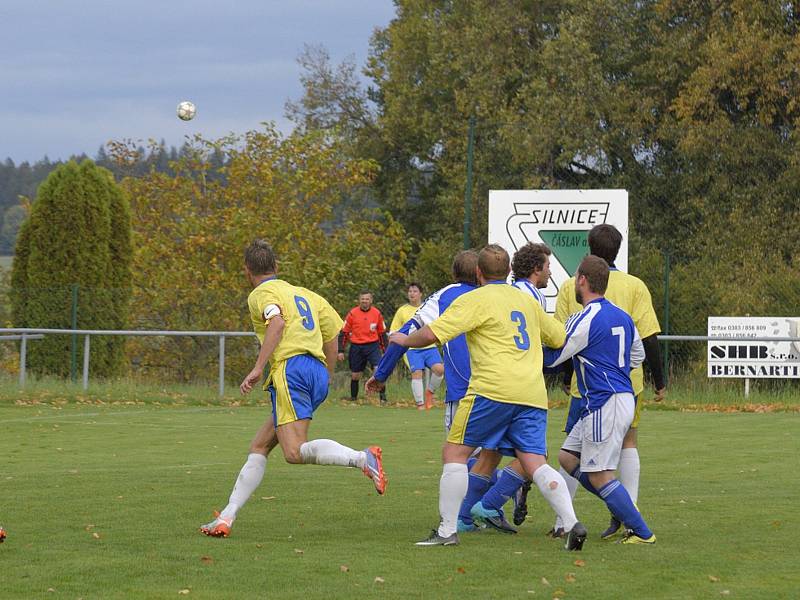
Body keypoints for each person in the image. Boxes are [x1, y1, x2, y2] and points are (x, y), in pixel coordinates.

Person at [390, 244, 587, 550]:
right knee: (535, 462)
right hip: (532, 393)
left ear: (479, 273)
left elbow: (431, 334)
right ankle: (571, 522)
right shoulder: (525, 301)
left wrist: (405, 339)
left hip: (492, 390)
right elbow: (559, 337)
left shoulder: (475, 299)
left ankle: (446, 531)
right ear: (508, 271)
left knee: (454, 454)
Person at [200, 240, 386, 538]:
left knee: (294, 452)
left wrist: (259, 367)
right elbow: (332, 333)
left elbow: (276, 323)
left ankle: (363, 458)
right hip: (314, 371)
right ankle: (226, 516)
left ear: (248, 271)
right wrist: (325, 375)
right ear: (277, 267)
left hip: (290, 369)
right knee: (260, 445)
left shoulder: (261, 294)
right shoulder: (306, 294)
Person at [553, 224, 666, 539]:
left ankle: (637, 528)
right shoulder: (628, 300)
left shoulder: (576, 304)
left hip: (600, 397)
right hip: (624, 390)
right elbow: (642, 348)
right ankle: (619, 505)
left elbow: (557, 348)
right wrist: (656, 379)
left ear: (583, 279)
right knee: (569, 455)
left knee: (599, 473)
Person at [366, 251, 478, 429]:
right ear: (481, 272)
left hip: (464, 388)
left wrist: (381, 375)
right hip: (503, 390)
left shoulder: (446, 296)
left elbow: (403, 335)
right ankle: (423, 400)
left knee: (458, 453)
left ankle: (425, 398)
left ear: (454, 274)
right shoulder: (500, 296)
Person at [390, 283, 445, 410]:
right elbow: (393, 331)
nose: (412, 293)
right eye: (410, 291)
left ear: (420, 294)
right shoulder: (402, 311)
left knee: (440, 370)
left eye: (415, 291)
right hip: (412, 349)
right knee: (417, 373)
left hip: (429, 347)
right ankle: (420, 404)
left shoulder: (428, 308)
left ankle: (429, 393)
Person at [337, 290, 388, 404]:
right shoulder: (352, 313)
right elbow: (344, 333)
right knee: (355, 375)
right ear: (359, 300)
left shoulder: (377, 313)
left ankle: (383, 398)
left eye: (367, 299)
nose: (364, 301)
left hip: (372, 346)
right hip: (357, 347)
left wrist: (385, 351)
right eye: (362, 299)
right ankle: (354, 398)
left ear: (371, 300)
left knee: (378, 370)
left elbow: (382, 334)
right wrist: (340, 350)